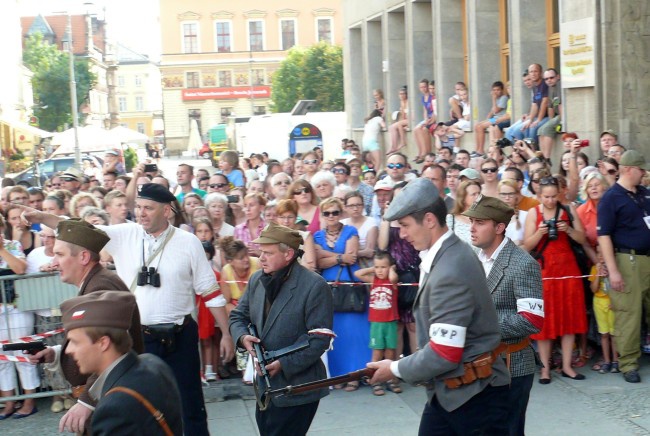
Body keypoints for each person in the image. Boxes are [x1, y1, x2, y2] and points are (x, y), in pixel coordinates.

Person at [368, 178, 510, 435]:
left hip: (474, 400)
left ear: (430, 220)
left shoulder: (450, 268)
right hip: (454, 393)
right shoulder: (444, 256)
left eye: (406, 225)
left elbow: (445, 352)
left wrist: (394, 368)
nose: (402, 234)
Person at [229, 222, 334, 436]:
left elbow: (319, 340)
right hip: (266, 388)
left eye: (268, 252)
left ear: (288, 254)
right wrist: (242, 337)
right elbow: (238, 316)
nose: (261, 258)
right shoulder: (257, 279)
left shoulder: (315, 285)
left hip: (299, 387)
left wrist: (284, 364)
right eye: (261, 252)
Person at [463, 195, 544, 436]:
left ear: (499, 227)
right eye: (472, 221)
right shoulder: (474, 258)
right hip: (478, 364)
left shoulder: (522, 264)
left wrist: (481, 325)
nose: (472, 228)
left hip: (511, 366)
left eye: (480, 222)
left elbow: (532, 320)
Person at [60, 291, 182, 435]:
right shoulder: (153, 363)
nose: (68, 350)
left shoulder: (114, 408)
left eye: (75, 342)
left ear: (103, 343)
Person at [523, 176, 588, 383]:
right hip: (545, 269)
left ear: (559, 194)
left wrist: (567, 229)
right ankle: (544, 368)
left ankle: (567, 366)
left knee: (569, 318)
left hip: (568, 268)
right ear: (539, 196)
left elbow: (582, 238)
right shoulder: (534, 213)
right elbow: (527, 244)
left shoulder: (568, 210)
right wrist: (540, 232)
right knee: (546, 320)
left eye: (553, 196)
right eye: (546, 197)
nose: (550, 201)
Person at [597, 150, 650, 383]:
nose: (644, 174)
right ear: (629, 169)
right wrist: (614, 270)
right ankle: (628, 363)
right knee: (628, 313)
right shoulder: (611, 198)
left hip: (647, 258)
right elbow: (604, 236)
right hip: (627, 261)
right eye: (641, 170)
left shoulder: (645, 194)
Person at [314, 198, 367, 389]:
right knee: (334, 334)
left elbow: (351, 257)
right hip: (327, 287)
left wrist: (328, 256)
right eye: (327, 213)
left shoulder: (351, 231)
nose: (331, 216)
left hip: (349, 284)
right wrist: (339, 256)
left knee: (353, 333)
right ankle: (337, 377)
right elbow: (318, 262)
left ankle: (354, 375)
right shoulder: (317, 236)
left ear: (341, 214)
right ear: (322, 215)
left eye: (335, 212)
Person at [354, 252, 401, 396]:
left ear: (390, 267)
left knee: (390, 351)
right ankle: (375, 380)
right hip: (377, 323)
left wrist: (391, 269)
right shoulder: (373, 279)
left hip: (390, 321)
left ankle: (390, 378)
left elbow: (393, 277)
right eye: (377, 267)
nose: (380, 270)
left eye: (383, 267)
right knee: (377, 352)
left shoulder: (392, 281)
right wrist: (372, 269)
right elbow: (358, 273)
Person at [588, 246, 619, 374]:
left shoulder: (615, 269)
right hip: (599, 302)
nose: (600, 256)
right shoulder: (595, 268)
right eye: (598, 253)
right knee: (604, 334)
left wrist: (614, 301)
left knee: (613, 334)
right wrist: (597, 276)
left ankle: (616, 361)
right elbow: (593, 289)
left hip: (611, 302)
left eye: (603, 253)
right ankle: (607, 361)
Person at [387, 86, 409, 155]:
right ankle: (393, 146)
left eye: (403, 94)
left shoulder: (408, 102)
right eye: (400, 94)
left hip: (410, 119)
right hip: (404, 120)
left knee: (398, 124)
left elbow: (409, 115)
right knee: (391, 127)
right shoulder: (402, 102)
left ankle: (403, 142)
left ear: (406, 94)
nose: (401, 96)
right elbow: (402, 115)